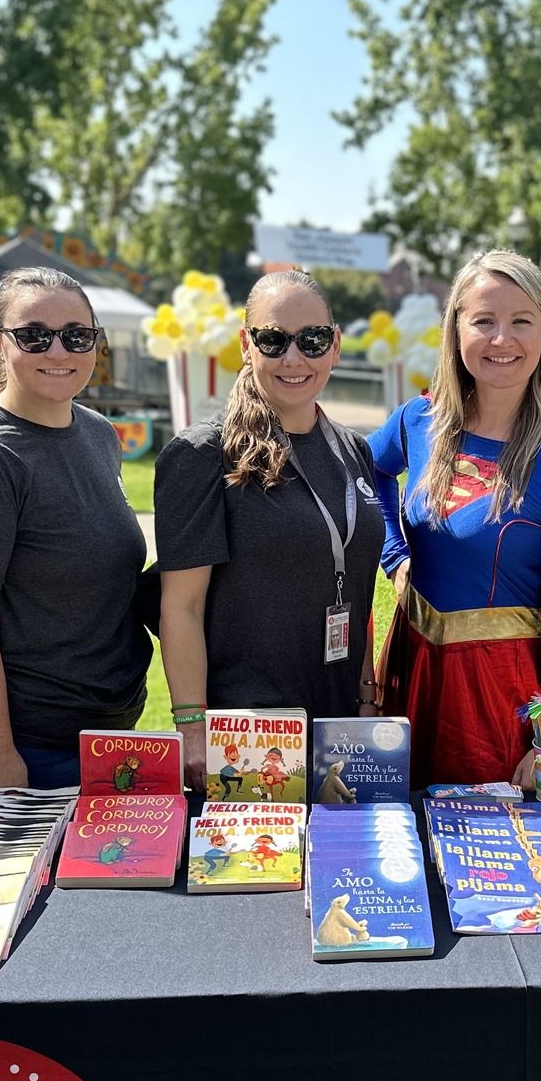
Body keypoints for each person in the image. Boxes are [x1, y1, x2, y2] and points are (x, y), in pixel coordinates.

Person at [369, 250, 541, 788]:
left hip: (503, 700)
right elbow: (368, 475)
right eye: (484, 320)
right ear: (455, 329)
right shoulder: (419, 419)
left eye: (521, 321)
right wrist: (395, 554)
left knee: (495, 857)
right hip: (413, 671)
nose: (502, 339)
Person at [0, 267, 151, 789]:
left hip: (103, 728)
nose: (58, 352)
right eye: (34, 336)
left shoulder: (99, 435)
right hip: (21, 739)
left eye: (76, 336)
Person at [156, 270, 385, 790]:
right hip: (247, 731)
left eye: (312, 340)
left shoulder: (354, 451)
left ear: (335, 346)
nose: (293, 358)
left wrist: (367, 698)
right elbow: (181, 607)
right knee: (263, 869)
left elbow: (355, 586)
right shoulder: (202, 455)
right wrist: (192, 728)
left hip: (339, 721)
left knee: (346, 866)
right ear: (246, 344)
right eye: (273, 340)